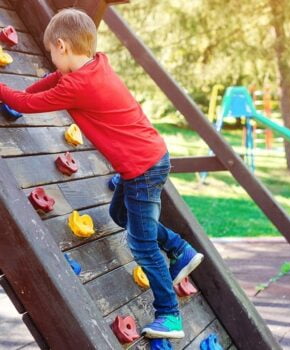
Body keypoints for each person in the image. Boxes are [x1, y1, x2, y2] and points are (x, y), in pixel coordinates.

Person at [0, 8, 204, 339]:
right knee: (120, 212)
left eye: (52, 51)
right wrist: (33, 88)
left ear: (62, 46)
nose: (52, 60)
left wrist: (13, 94)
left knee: (140, 243)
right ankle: (180, 248)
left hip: (140, 170)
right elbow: (55, 79)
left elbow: (26, 105)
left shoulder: (79, 86)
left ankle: (169, 314)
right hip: (151, 159)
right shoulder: (96, 66)